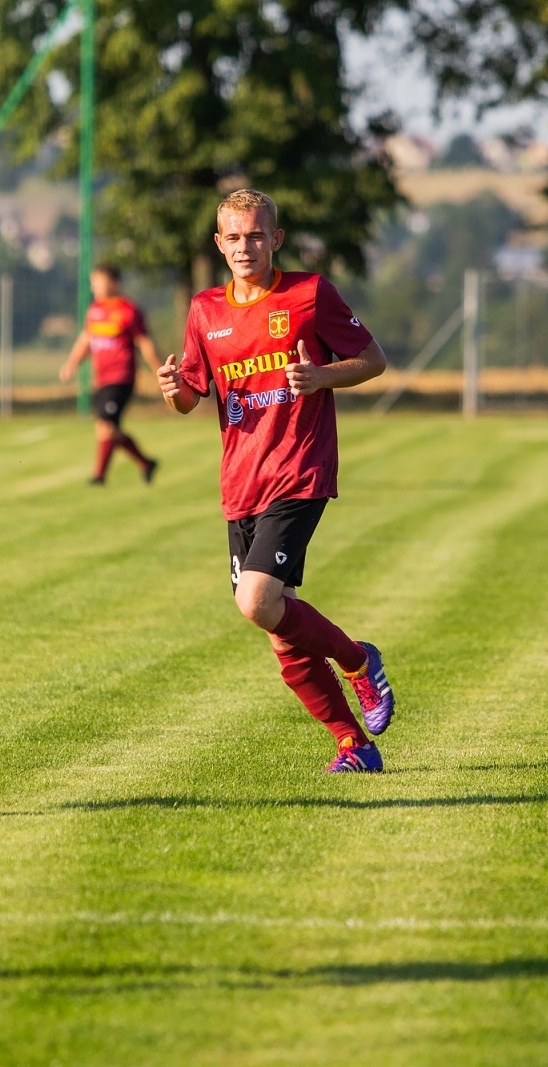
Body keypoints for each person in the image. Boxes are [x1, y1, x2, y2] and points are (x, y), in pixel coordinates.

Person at [157, 189, 396, 773]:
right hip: (241, 485)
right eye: (234, 238)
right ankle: (352, 743)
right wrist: (173, 392)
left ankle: (357, 659)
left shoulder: (309, 295)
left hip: (298, 470)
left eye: (256, 236)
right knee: (277, 628)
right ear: (219, 244)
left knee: (256, 600)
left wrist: (321, 376)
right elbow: (192, 398)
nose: (246, 247)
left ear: (276, 240)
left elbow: (373, 359)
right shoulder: (204, 310)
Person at [61, 263, 163, 485]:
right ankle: (146, 463)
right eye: (93, 282)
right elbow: (85, 340)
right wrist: (71, 364)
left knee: (105, 426)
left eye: (99, 282)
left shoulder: (129, 311)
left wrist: (160, 371)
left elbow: (145, 344)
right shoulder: (95, 310)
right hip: (103, 379)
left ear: (114, 283)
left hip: (121, 378)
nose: (94, 287)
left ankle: (99, 476)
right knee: (109, 429)